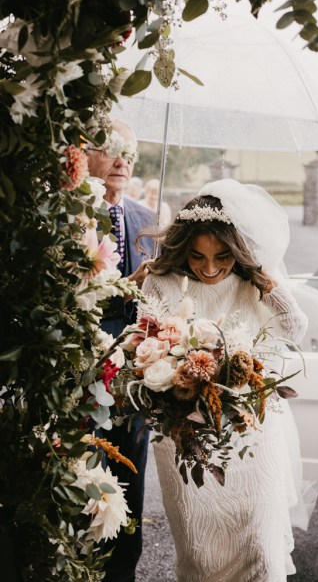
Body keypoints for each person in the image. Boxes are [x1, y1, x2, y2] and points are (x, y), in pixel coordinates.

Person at [140, 179, 314, 581]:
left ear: (237, 251)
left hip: (250, 429)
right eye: (198, 256)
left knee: (259, 548)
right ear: (184, 249)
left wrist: (268, 284)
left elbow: (294, 327)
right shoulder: (161, 281)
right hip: (184, 431)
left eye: (223, 256)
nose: (211, 267)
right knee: (199, 554)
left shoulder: (252, 281)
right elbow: (143, 346)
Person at [86, 119, 155, 582]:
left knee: (133, 475)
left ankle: (123, 572)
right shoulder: (71, 217)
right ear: (85, 154)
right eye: (109, 148)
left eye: (128, 152)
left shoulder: (147, 220)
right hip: (85, 369)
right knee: (89, 475)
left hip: (137, 377)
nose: (121, 160)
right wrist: (127, 289)